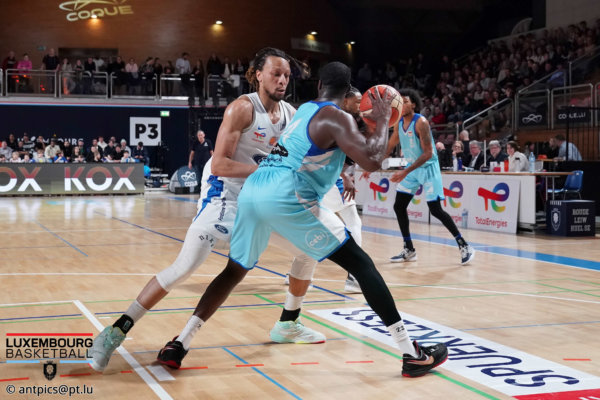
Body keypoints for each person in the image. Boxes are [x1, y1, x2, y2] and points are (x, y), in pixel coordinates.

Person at [153, 62, 449, 378]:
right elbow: (374, 160)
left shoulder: (307, 109)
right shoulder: (336, 118)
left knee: (234, 270)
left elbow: (332, 148)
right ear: (347, 92)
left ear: (319, 84)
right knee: (362, 265)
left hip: (254, 192)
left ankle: (180, 343)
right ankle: (411, 354)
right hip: (287, 196)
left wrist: (362, 130)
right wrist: (381, 119)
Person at [89, 48, 326, 372]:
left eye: (286, 75)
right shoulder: (242, 109)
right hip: (224, 193)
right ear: (258, 75)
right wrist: (268, 172)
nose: (283, 80)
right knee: (184, 267)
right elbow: (220, 164)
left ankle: (288, 322)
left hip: (260, 198)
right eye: (276, 73)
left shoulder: (290, 114)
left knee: (308, 248)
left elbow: (299, 156)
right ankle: (115, 332)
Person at [369, 89, 475, 265]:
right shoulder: (399, 123)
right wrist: (372, 165)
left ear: (414, 104)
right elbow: (390, 145)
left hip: (428, 168)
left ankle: (464, 245)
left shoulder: (421, 123)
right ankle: (409, 249)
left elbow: (428, 154)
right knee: (399, 206)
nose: (402, 105)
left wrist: (404, 172)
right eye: (400, 102)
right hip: (412, 169)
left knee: (436, 210)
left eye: (405, 101)